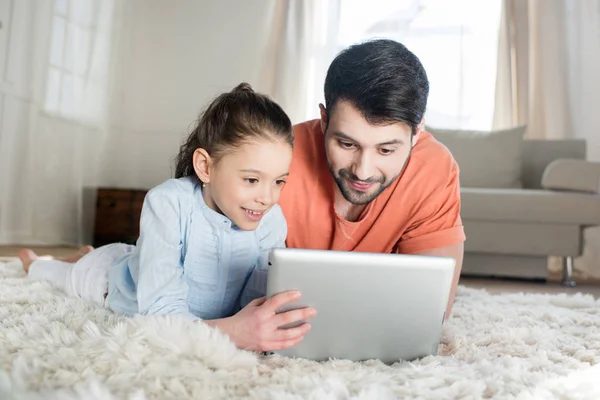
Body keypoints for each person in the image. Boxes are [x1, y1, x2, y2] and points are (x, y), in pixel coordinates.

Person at [19, 83, 316, 352]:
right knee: (54, 273)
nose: (267, 197)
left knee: (126, 256)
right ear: (205, 167)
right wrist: (233, 333)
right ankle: (40, 259)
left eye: (279, 181)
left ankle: (85, 254)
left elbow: (252, 304)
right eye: (252, 180)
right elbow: (159, 315)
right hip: (109, 281)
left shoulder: (271, 220)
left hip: (143, 261)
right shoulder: (168, 202)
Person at [278, 39, 466, 317]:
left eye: (386, 150)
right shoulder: (277, 157)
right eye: (347, 144)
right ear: (324, 120)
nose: (362, 171)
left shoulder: (433, 168)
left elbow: (430, 311)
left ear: (417, 132)